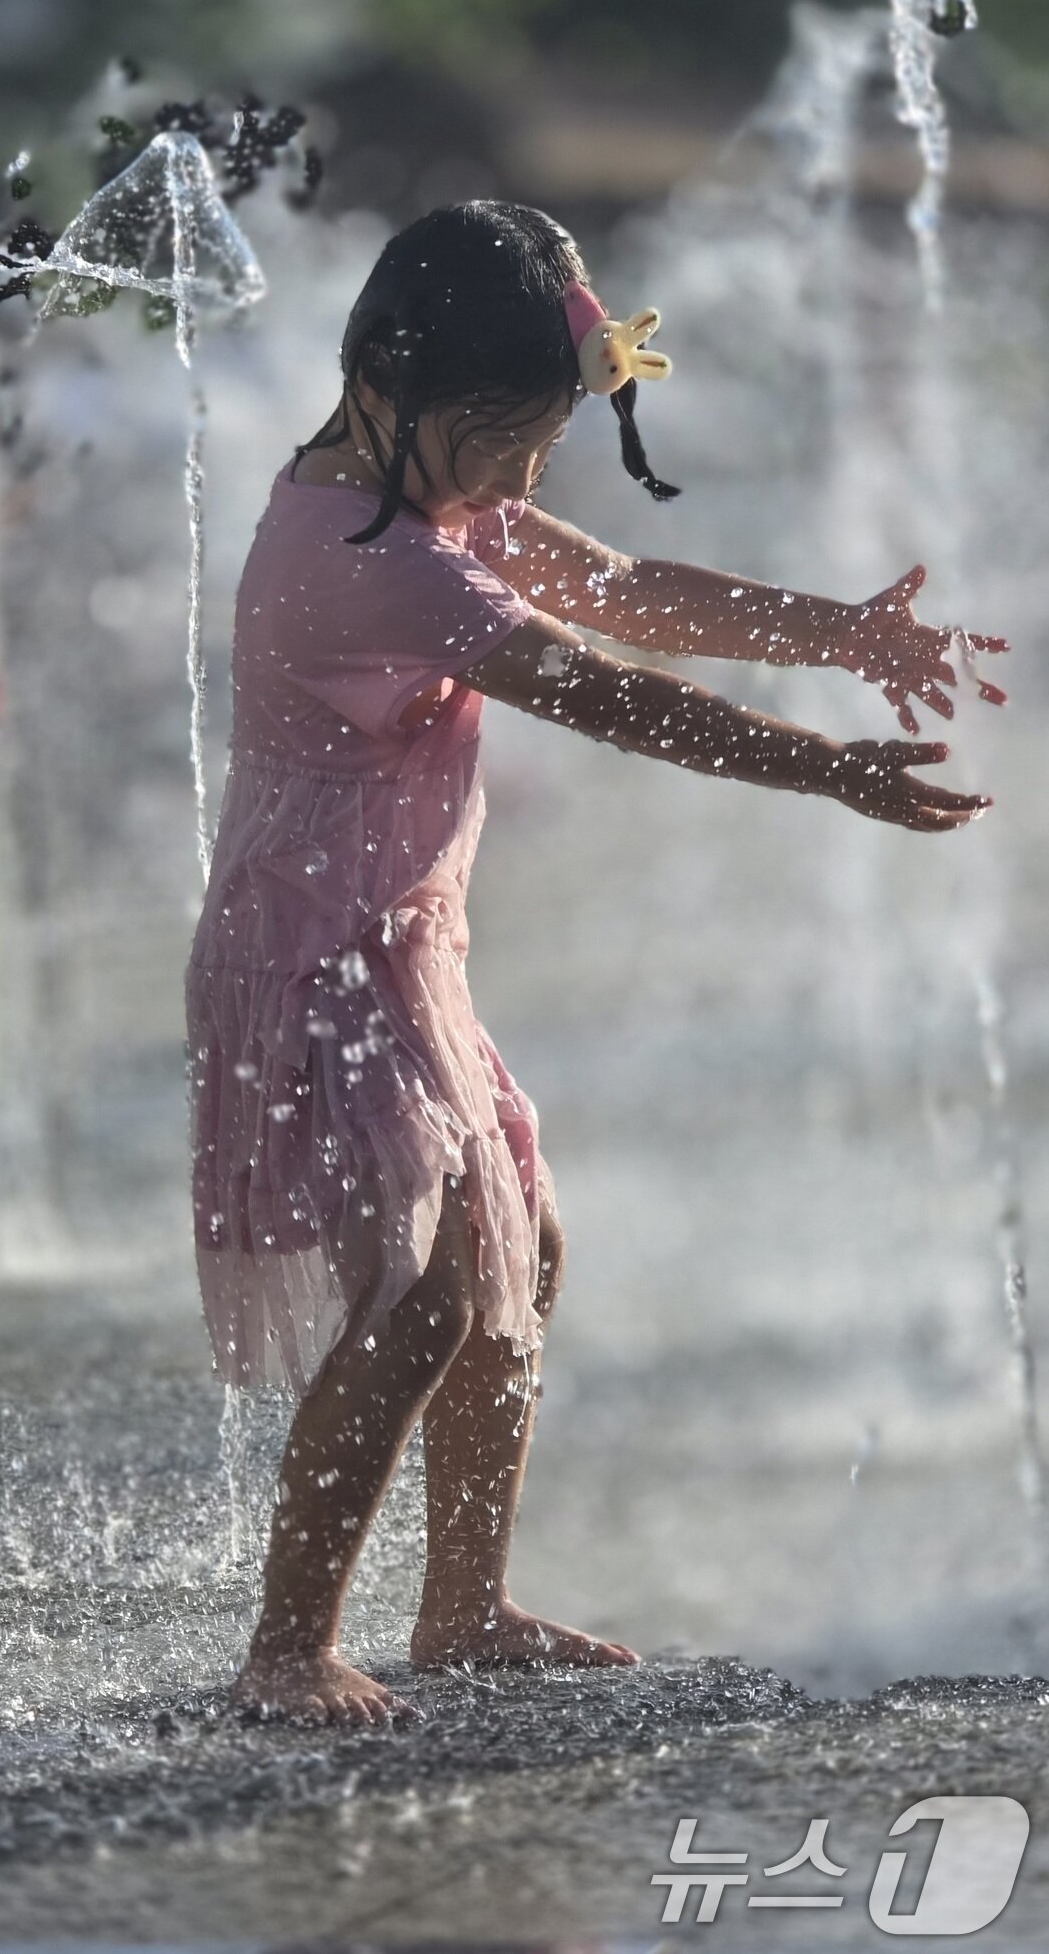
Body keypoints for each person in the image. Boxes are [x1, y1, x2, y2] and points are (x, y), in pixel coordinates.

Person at [183, 201, 1009, 1727]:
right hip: (314, 966)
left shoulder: (421, 497)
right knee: (421, 1292)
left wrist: (839, 631)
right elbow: (614, 693)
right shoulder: (369, 565)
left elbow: (625, 590)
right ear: (384, 390)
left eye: (542, 445)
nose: (519, 479)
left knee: (524, 1252)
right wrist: (833, 769)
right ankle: (286, 1644)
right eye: (500, 443)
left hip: (400, 951)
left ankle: (463, 1605)